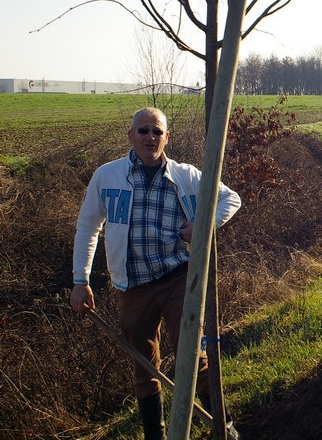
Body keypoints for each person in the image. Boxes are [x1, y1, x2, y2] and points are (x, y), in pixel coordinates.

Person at [70, 107, 242, 440]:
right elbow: (88, 226)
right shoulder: (107, 177)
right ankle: (156, 436)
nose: (150, 137)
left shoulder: (186, 175)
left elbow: (229, 198)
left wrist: (205, 224)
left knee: (194, 359)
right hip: (132, 287)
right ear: (131, 136)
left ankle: (225, 430)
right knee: (144, 368)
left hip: (180, 280)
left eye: (157, 131)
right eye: (144, 130)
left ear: (166, 138)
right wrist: (81, 280)